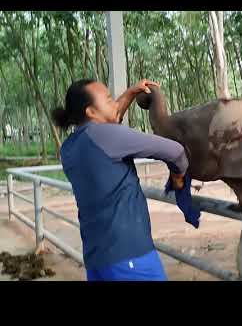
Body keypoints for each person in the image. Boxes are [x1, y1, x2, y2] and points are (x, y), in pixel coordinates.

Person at [52, 78, 188, 281]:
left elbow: (111, 120)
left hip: (98, 260)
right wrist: (178, 177)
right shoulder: (106, 136)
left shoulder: (69, 147)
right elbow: (176, 152)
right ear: (91, 112)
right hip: (131, 259)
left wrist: (132, 93)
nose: (114, 103)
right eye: (108, 99)